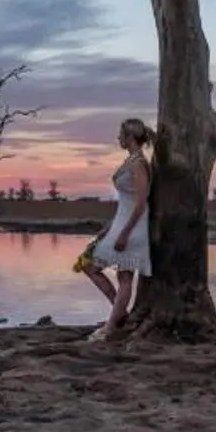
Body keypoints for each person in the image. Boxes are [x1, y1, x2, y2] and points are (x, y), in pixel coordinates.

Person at [80, 117, 154, 338]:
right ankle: (119, 314)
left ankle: (112, 327)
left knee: (124, 277)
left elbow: (141, 203)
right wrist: (108, 229)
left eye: (120, 135)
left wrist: (123, 233)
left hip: (132, 228)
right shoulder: (131, 161)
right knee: (89, 266)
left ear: (130, 137)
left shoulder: (140, 163)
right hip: (121, 225)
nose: (117, 138)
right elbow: (126, 203)